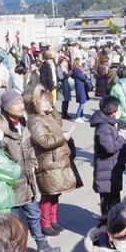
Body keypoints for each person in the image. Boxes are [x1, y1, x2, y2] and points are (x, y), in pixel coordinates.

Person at [0, 90, 61, 252]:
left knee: (34, 214)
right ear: (6, 107)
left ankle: (42, 245)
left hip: (27, 180)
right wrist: (14, 172)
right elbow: (0, 158)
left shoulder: (23, 123)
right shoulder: (1, 129)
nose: (21, 106)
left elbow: (29, 147)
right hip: (12, 184)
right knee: (15, 222)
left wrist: (32, 164)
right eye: (16, 103)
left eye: (21, 102)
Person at [25, 84, 77, 236]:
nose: (47, 101)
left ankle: (53, 220)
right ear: (36, 102)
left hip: (57, 160)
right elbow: (44, 141)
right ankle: (45, 223)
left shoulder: (47, 115)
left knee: (56, 192)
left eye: (48, 99)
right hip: (48, 161)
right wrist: (63, 137)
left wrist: (53, 108)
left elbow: (58, 124)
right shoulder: (35, 120)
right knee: (48, 194)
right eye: (44, 100)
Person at [91, 95, 126, 217]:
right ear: (112, 110)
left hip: (112, 170)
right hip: (106, 172)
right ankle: (106, 231)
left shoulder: (111, 123)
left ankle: (112, 229)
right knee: (109, 208)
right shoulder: (103, 127)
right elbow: (110, 148)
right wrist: (122, 137)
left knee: (114, 206)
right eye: (118, 108)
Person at [71, 58, 90, 122]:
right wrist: (84, 74)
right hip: (80, 87)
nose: (81, 62)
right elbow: (83, 77)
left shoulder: (79, 69)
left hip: (82, 86)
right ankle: (78, 115)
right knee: (82, 102)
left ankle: (81, 115)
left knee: (83, 101)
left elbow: (85, 77)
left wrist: (84, 74)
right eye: (79, 61)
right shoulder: (76, 70)